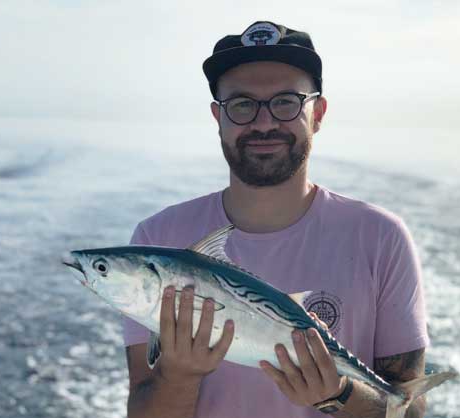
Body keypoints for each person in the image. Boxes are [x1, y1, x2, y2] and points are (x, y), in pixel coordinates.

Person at [122, 21, 430, 418]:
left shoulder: (380, 237)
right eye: (242, 105)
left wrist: (338, 394)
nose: (264, 122)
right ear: (219, 117)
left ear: (317, 113)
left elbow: (410, 410)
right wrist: (178, 375)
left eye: (286, 102)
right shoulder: (156, 240)